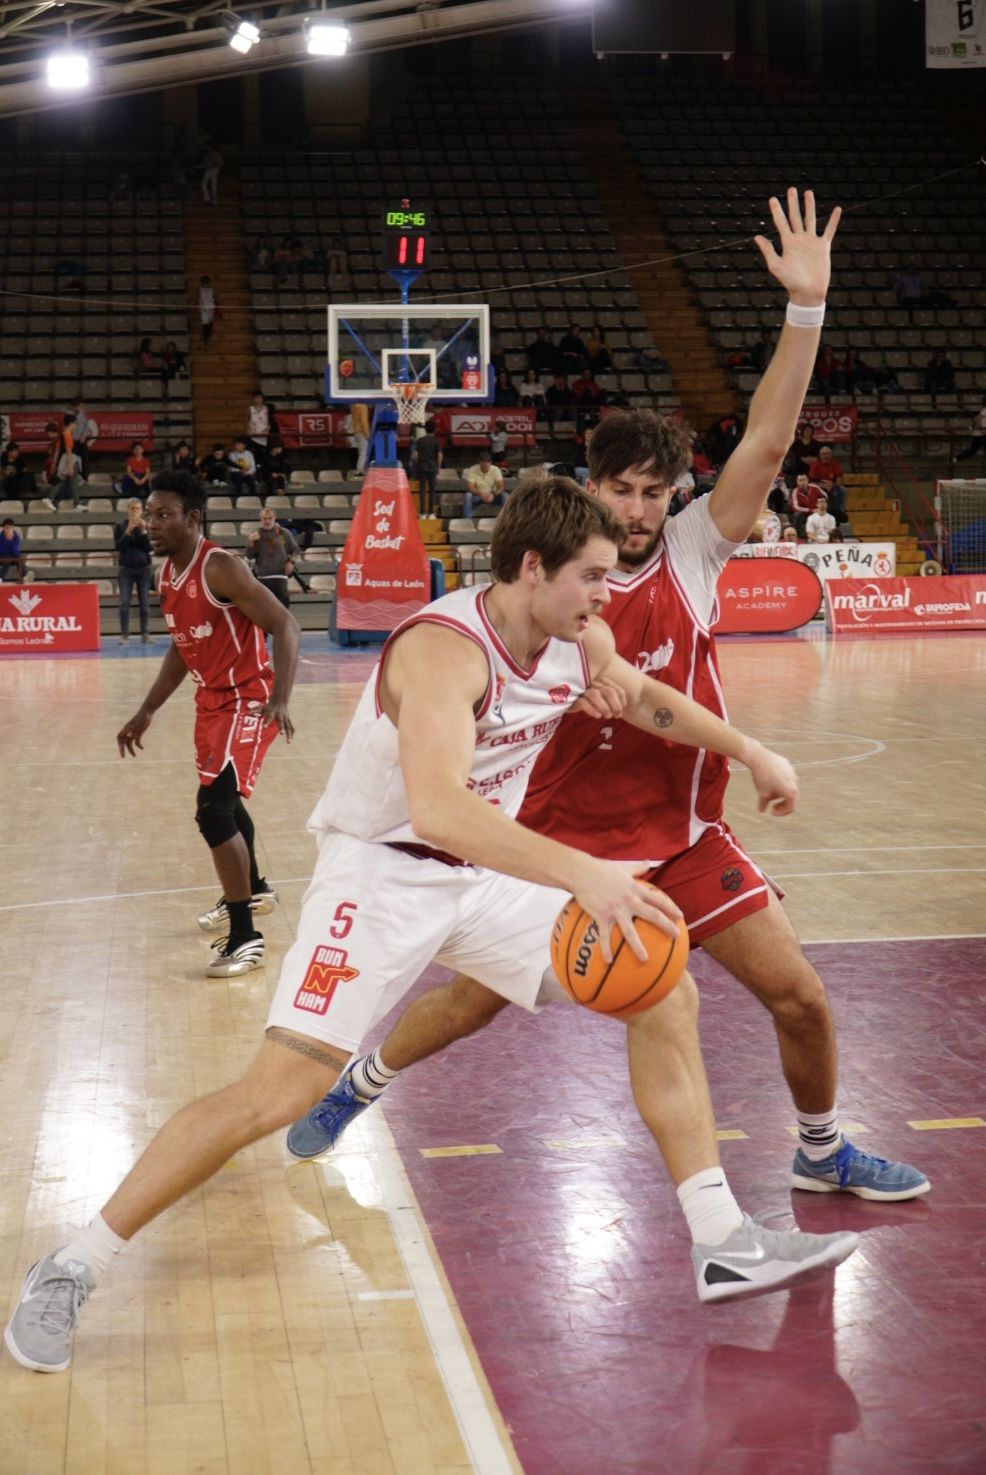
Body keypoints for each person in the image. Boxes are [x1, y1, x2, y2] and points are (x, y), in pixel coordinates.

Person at [3, 474, 860, 1374]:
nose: (608, 595)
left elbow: (646, 696)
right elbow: (440, 809)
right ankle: (72, 1264)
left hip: (481, 877)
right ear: (533, 568)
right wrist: (584, 872)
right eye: (592, 576)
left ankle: (720, 1236)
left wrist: (751, 749)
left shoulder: (580, 639)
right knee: (275, 1093)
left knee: (662, 988)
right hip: (379, 876)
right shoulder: (443, 653)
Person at [290, 191, 928, 1232]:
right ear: (590, 489)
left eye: (654, 491)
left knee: (799, 992)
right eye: (621, 490)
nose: (637, 510)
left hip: (677, 833)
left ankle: (819, 1149)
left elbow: (767, 445)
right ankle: (363, 1078)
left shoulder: (693, 552)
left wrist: (805, 309)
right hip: (557, 837)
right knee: (467, 1005)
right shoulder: (544, 575)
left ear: (677, 495)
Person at [116, 472, 296, 984]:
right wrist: (147, 709)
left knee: (213, 810)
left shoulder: (220, 567)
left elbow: (285, 624)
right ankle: (253, 889)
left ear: (193, 518)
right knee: (227, 803)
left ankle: (246, 937)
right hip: (211, 701)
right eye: (149, 514)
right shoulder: (166, 575)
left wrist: (280, 698)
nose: (152, 524)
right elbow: (182, 647)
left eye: (164, 515)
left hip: (248, 699)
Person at [114, 498, 153, 642]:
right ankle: (124, 634)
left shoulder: (148, 527)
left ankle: (145, 634)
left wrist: (143, 532)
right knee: (124, 602)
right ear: (128, 510)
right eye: (132, 508)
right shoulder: (120, 526)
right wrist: (128, 532)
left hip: (144, 569)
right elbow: (119, 547)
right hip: (126, 570)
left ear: (142, 511)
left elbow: (149, 548)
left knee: (145, 603)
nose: (135, 511)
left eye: (137, 509)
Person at [245, 506, 300, 608]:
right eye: (264, 519)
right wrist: (251, 543)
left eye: (270, 518)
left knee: (283, 608)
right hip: (262, 577)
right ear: (260, 520)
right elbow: (249, 556)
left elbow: (295, 550)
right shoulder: (256, 534)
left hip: (280, 577)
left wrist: (291, 562)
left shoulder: (282, 533)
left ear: (274, 519)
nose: (267, 521)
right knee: (263, 608)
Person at [44, 415, 87, 511]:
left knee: (65, 482)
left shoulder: (64, 434)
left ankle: (50, 498)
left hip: (66, 459)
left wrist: (55, 463)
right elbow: (69, 451)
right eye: (76, 423)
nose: (76, 426)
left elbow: (59, 449)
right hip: (70, 459)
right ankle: (76, 503)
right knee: (71, 482)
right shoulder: (67, 435)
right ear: (71, 423)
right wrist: (70, 466)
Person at [462, 451, 506, 520]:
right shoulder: (473, 469)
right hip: (477, 496)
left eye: (488, 462)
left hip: (492, 495)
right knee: (468, 496)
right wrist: (480, 494)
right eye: (483, 462)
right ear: (479, 462)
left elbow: (501, 486)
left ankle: (506, 520)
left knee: (505, 495)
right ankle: (467, 521)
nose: (486, 464)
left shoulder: (495, 469)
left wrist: (494, 494)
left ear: (491, 462)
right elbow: (470, 487)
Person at [412, 417, 442, 517]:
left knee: (423, 490)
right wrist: (438, 467)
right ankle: (432, 513)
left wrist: (417, 465)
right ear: (435, 429)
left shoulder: (420, 441)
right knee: (432, 490)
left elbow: (415, 455)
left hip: (422, 467)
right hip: (433, 468)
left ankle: (423, 513)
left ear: (425, 429)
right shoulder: (436, 441)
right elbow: (439, 455)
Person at [71, 402, 99, 482]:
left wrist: (83, 436)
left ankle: (84, 478)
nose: (81, 408)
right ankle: (75, 476)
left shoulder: (83, 415)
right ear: (75, 407)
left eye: (82, 406)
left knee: (84, 459)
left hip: (82, 440)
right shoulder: (71, 415)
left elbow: (86, 427)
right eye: (80, 406)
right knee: (74, 459)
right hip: (74, 440)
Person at [955, 395, 986, 462]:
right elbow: (976, 418)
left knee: (972, 451)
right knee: (972, 451)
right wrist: (982, 428)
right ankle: (955, 459)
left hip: (981, 434)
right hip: (980, 434)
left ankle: (955, 459)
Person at [0, 516, 24, 582]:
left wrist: (11, 541)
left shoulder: (16, 537)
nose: (9, 530)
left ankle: (23, 577)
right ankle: (0, 577)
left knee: (19, 558)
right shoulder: (0, 537)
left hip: (13, 557)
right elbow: (2, 551)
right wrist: (6, 540)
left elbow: (15, 552)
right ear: (3, 528)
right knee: (8, 558)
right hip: (2, 557)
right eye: (7, 528)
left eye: (11, 528)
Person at [199, 276, 218, 348]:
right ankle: (206, 341)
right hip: (205, 310)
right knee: (206, 326)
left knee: (209, 326)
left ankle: (208, 341)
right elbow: (199, 299)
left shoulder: (211, 290)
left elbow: (216, 297)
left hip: (209, 309)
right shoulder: (201, 290)